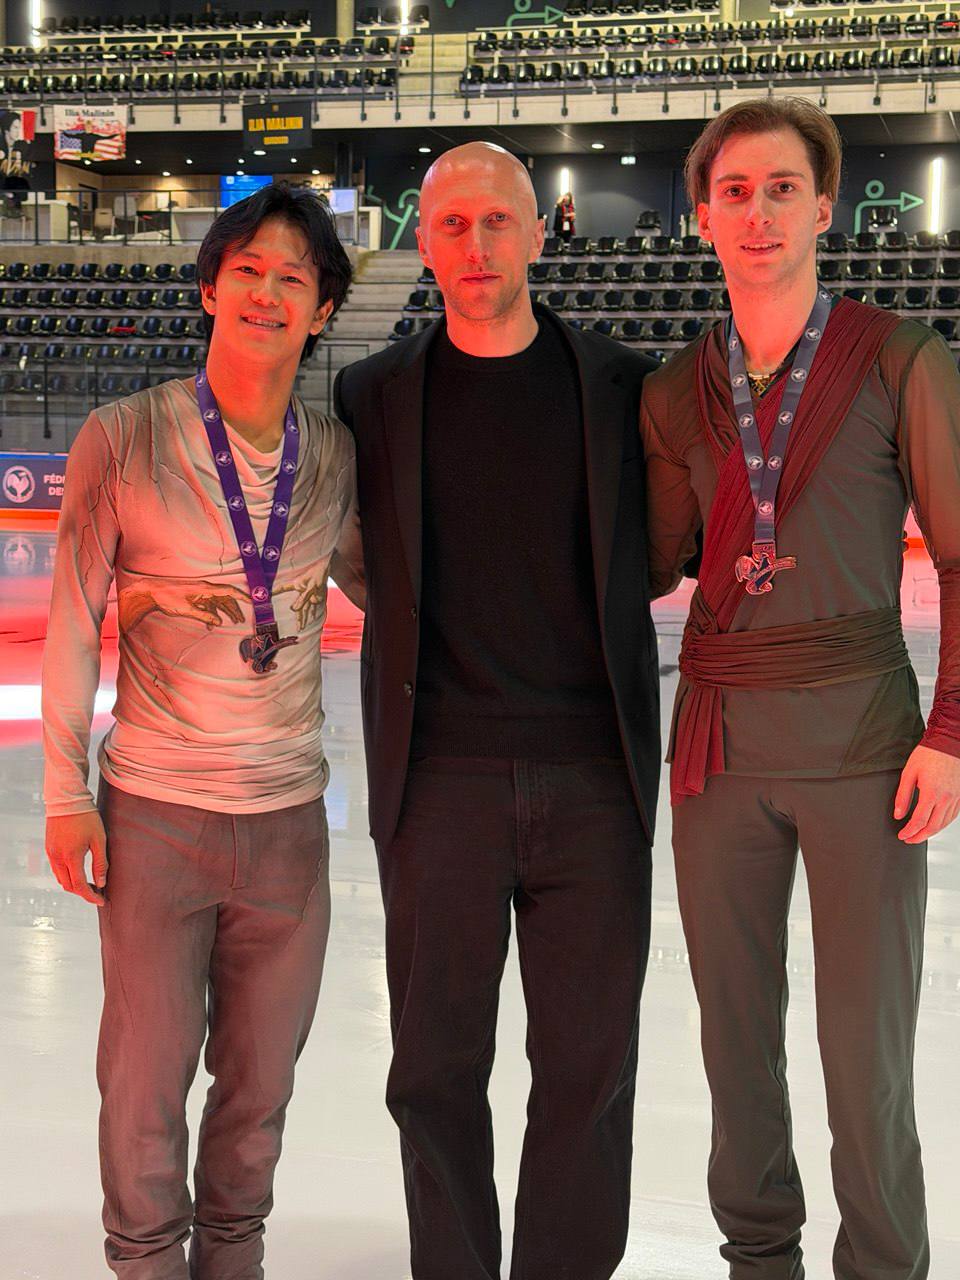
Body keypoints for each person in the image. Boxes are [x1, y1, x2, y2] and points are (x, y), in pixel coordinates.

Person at [640, 96, 960, 1280]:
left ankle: (883, 1264)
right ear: (702, 215)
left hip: (862, 743)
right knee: (734, 1044)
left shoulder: (900, 358)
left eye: (783, 188)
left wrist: (952, 730)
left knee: (863, 1052)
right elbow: (655, 561)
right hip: (717, 745)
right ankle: (759, 1257)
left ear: (825, 206)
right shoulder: (675, 390)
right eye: (735, 191)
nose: (759, 212)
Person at [335, 141, 660, 1280]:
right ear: (424, 243)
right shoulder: (369, 396)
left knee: (588, 1069)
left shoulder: (622, 385)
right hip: (439, 782)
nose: (475, 246)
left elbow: (664, 553)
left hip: (595, 779)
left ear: (536, 231)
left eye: (496, 221)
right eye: (451, 225)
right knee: (433, 1070)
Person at [41, 182, 363, 1280]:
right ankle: (144, 1262)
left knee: (260, 1083)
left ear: (322, 309)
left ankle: (233, 1259)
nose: (268, 293)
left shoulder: (335, 456)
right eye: (248, 271)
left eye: (293, 278)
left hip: (289, 825)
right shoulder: (123, 436)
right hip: (157, 815)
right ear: (210, 287)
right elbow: (72, 621)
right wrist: (65, 793)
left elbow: (390, 585)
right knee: (143, 1078)